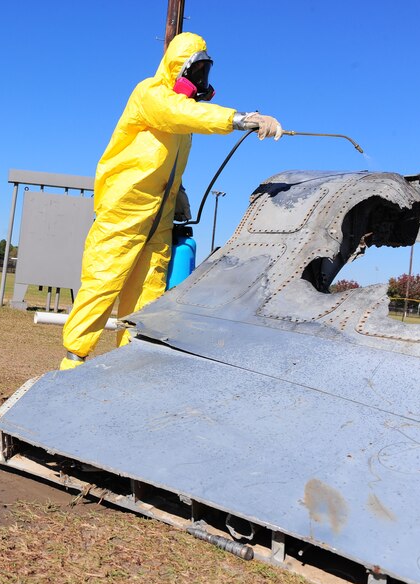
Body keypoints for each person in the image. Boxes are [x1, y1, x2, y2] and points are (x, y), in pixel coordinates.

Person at [60, 32, 282, 370]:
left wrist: (179, 198)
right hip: (123, 212)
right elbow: (179, 112)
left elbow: (165, 163)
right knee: (101, 286)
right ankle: (72, 366)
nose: (201, 82)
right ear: (178, 68)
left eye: (205, 73)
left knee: (147, 297)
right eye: (196, 72)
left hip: (158, 221)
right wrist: (241, 119)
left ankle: (124, 372)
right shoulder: (150, 94)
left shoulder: (182, 124)